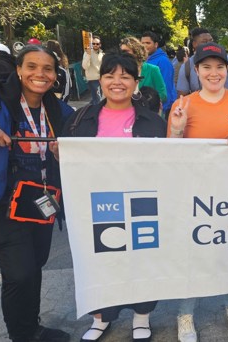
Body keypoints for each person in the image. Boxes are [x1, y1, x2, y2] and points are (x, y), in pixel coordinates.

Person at [0, 45, 74, 342]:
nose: (40, 74)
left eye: (47, 69)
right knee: (20, 273)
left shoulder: (56, 108)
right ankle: (22, 335)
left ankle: (31, 326)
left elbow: (81, 138)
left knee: (34, 266)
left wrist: (67, 153)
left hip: (41, 200)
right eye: (32, 67)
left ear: (55, 75)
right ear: (19, 70)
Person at [60, 53, 166, 342]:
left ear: (135, 82)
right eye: (110, 76)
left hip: (141, 202)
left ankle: (141, 316)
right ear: (100, 80)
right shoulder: (80, 119)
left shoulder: (152, 122)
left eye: (125, 77)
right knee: (99, 260)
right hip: (96, 204)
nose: (117, 82)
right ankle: (101, 317)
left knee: (143, 259)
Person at [169, 42, 228, 342]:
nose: (214, 73)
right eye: (206, 67)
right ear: (196, 71)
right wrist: (176, 129)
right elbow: (170, 154)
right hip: (195, 195)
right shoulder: (183, 104)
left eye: (219, 66)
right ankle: (185, 313)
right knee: (192, 255)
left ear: (227, 70)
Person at [176, 28, 228, 97]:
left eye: (220, 67)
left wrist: (225, 99)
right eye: (204, 42)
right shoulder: (187, 66)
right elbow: (182, 95)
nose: (209, 44)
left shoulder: (225, 58)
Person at [120, 36, 168, 111]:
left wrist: (149, 101)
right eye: (121, 52)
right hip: (126, 113)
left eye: (126, 51)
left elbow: (163, 94)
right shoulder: (120, 71)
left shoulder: (153, 69)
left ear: (136, 52)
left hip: (148, 114)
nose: (122, 54)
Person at [141, 31, 178, 114]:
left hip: (161, 108)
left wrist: (161, 110)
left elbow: (166, 87)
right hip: (147, 107)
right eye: (142, 43)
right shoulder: (144, 60)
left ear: (156, 44)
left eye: (148, 43)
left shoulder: (163, 61)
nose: (144, 46)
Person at [82, 36, 104, 105]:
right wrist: (88, 55)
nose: (95, 45)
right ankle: (97, 114)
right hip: (92, 79)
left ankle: (87, 110)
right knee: (98, 99)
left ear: (100, 45)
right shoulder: (87, 53)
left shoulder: (101, 53)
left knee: (96, 98)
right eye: (93, 43)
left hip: (101, 79)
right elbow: (85, 66)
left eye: (97, 44)